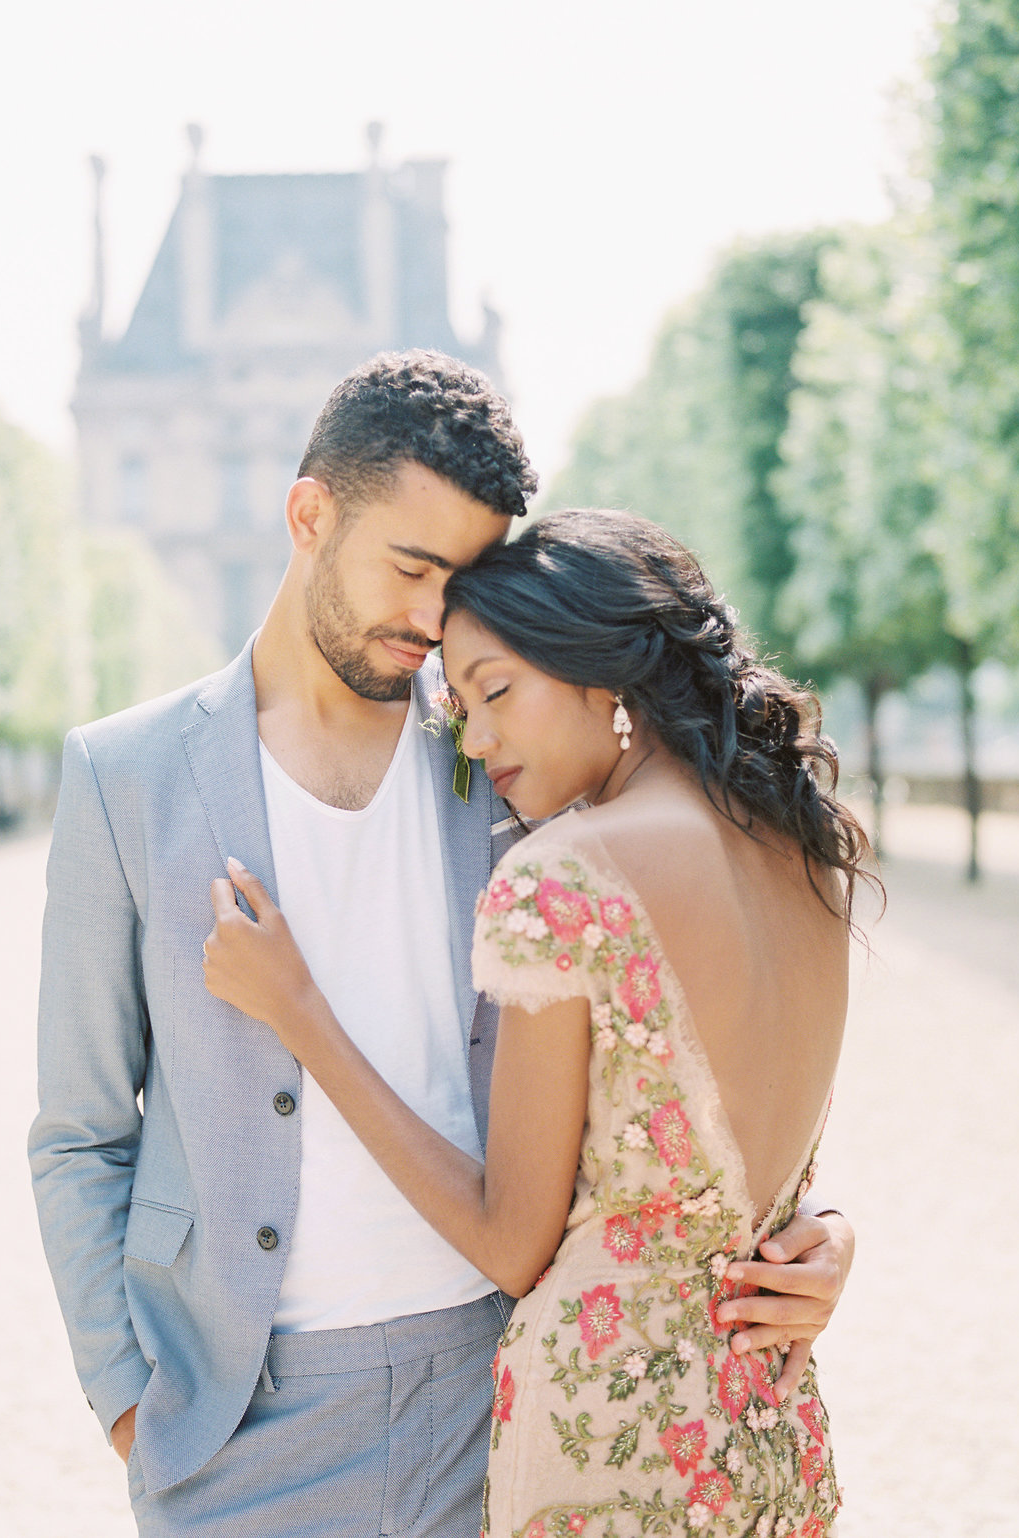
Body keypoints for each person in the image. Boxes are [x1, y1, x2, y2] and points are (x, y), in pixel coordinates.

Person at [30, 353, 853, 1538]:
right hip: (238, 1426)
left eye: (460, 581)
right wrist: (131, 1404)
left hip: (499, 1392)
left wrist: (810, 1230)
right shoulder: (127, 776)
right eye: (412, 567)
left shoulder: (514, 758)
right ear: (309, 513)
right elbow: (81, 1130)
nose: (431, 616)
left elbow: (682, 1036)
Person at [203, 508, 871, 1537]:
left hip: (611, 1449)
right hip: (771, 1438)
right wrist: (829, 1233)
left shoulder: (566, 874)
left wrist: (300, 1012)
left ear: (605, 673)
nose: (475, 740)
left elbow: (512, 1242)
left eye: (496, 691)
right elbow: (743, 1156)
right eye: (460, 705)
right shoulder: (809, 853)